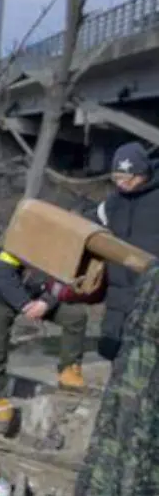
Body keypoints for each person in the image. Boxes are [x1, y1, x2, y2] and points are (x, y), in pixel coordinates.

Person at [0, 248, 89, 408]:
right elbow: (3, 272)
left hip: (37, 293)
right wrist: (24, 304)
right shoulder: (24, 235)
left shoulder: (67, 244)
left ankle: (69, 372)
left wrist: (46, 302)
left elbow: (63, 279)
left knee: (75, 316)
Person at [95, 141, 159, 365]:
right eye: (116, 178)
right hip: (118, 298)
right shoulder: (111, 204)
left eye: (128, 178)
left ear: (143, 173)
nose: (121, 184)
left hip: (152, 296)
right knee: (116, 357)